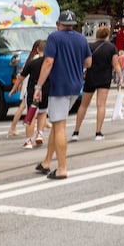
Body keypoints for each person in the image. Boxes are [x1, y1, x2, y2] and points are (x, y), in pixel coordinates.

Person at [34, 10, 91, 180]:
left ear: (59, 24)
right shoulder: (82, 38)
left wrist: (38, 86)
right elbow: (89, 62)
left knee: (59, 127)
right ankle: (46, 162)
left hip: (59, 86)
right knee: (58, 122)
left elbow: (48, 61)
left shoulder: (55, 37)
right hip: (75, 86)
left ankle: (62, 168)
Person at [72, 24, 120, 140]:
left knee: (83, 105)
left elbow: (84, 62)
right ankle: (98, 132)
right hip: (105, 78)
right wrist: (120, 77)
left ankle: (76, 132)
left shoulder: (90, 46)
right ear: (107, 35)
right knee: (101, 105)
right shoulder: (112, 47)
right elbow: (116, 64)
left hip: (91, 77)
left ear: (97, 35)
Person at [16, 39, 47, 149]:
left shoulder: (32, 63)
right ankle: (40, 134)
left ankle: (29, 140)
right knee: (43, 113)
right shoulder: (49, 62)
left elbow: (21, 76)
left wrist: (14, 88)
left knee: (31, 115)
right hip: (46, 90)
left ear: (37, 49)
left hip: (33, 91)